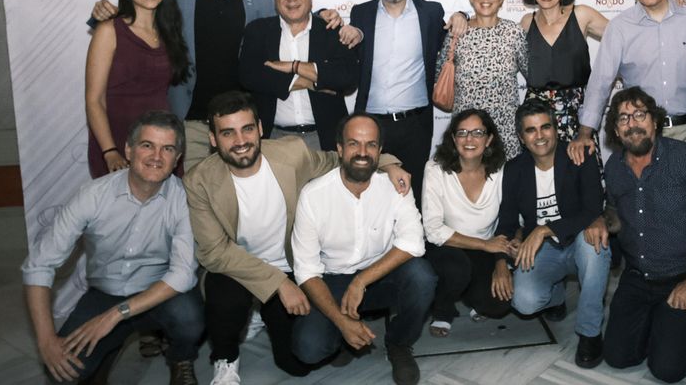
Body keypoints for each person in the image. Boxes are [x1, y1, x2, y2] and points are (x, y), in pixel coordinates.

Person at [183, 91, 408, 383]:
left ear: (260, 129)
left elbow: (336, 159)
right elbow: (214, 252)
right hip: (237, 269)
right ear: (214, 139)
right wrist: (276, 284)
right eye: (228, 133)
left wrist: (389, 163)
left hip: (290, 266)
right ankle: (226, 358)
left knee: (298, 363)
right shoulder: (199, 180)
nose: (240, 141)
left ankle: (264, 313)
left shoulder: (290, 154)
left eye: (247, 129)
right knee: (224, 295)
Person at [90, 0, 343, 171]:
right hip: (188, 125)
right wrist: (105, 11)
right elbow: (138, 9)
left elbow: (292, 17)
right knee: (190, 202)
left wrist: (327, 17)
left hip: (238, 128)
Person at [22, 111, 202, 385]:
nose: (157, 156)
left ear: (177, 158)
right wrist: (46, 341)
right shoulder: (93, 195)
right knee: (63, 374)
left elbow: (182, 274)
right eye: (147, 145)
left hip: (159, 294)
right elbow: (39, 265)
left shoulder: (183, 199)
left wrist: (115, 315)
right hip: (105, 294)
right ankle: (108, 350)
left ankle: (181, 357)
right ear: (128, 150)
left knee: (189, 316)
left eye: (167, 149)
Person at [291, 114, 436, 385]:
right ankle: (342, 335)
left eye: (370, 145)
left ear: (380, 151)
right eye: (354, 143)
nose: (362, 152)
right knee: (308, 348)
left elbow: (414, 242)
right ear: (340, 148)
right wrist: (340, 321)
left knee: (422, 276)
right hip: (333, 279)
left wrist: (361, 281)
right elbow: (307, 271)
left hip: (380, 276)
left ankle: (399, 344)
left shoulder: (396, 186)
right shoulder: (313, 195)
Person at [600, 86, 686, 383]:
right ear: (616, 132)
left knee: (667, 370)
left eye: (640, 114)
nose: (633, 123)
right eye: (623, 119)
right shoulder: (614, 168)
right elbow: (615, 215)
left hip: (683, 275)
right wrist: (600, 220)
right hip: (637, 277)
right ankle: (663, 320)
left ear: (654, 121)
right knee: (619, 357)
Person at [340, 0, 467, 209]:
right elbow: (327, 24)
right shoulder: (360, 14)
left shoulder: (430, 13)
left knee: (413, 195)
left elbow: (453, 32)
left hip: (415, 125)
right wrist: (324, 14)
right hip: (371, 124)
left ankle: (414, 249)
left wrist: (462, 15)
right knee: (370, 195)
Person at [491, 99, 609, 369]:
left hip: (579, 239)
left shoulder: (579, 156)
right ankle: (556, 295)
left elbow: (592, 209)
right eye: (531, 130)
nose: (540, 135)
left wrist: (545, 229)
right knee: (524, 302)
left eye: (545, 127)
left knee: (596, 244)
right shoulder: (514, 169)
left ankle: (590, 332)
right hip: (544, 250)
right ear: (521, 137)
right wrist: (499, 262)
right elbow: (507, 222)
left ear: (556, 129)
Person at [570, 0, 686, 166]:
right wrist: (585, 133)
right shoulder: (619, 28)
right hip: (641, 137)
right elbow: (600, 83)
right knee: (645, 200)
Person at [85, 0, 189, 178]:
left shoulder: (169, 32)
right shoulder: (109, 31)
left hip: (162, 141)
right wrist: (110, 151)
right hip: (118, 141)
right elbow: (94, 99)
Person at [239, 0, 358, 150]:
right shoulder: (258, 31)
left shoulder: (331, 31)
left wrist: (293, 66)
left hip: (326, 140)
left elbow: (347, 78)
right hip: (274, 139)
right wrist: (312, 81)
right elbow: (250, 76)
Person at [422, 109, 511, 337]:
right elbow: (432, 230)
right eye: (462, 133)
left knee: (498, 306)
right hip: (445, 247)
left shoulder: (501, 170)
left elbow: (511, 218)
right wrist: (484, 245)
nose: (469, 139)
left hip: (484, 249)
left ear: (489, 138)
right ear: (453, 138)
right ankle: (443, 311)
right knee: (456, 269)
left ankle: (469, 294)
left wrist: (501, 261)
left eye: (477, 133)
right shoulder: (435, 169)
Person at [440, 0, 528, 159]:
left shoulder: (514, 33)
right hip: (467, 136)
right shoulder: (457, 34)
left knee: (506, 187)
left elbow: (533, 75)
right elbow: (439, 75)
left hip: (505, 132)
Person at [519, 0, 608, 142]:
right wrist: (461, 16)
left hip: (576, 118)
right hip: (536, 120)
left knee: (577, 169)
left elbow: (625, 37)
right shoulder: (526, 23)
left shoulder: (582, 15)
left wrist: (666, 1)